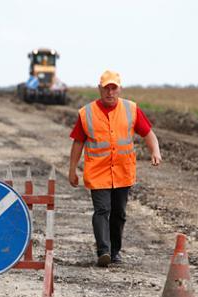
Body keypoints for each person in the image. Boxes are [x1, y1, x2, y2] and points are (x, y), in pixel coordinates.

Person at [68, 70, 162, 267]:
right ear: (99, 89)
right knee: (102, 210)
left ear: (119, 89)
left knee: (119, 213)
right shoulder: (87, 113)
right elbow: (78, 142)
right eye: (106, 88)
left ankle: (115, 251)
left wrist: (155, 151)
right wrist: (72, 170)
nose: (110, 92)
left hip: (122, 171)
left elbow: (148, 133)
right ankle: (103, 251)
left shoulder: (131, 109)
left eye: (113, 88)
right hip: (98, 171)